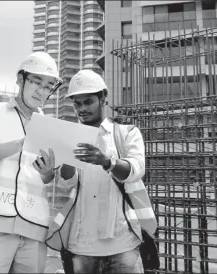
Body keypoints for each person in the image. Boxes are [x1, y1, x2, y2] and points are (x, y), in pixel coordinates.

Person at [44, 70, 157, 273]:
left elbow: (136, 170)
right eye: (77, 104)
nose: (82, 109)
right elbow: (65, 185)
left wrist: (106, 161)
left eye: (88, 102)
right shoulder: (70, 137)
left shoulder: (127, 133)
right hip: (81, 247)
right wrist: (67, 160)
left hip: (124, 245)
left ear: (103, 98)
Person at [0, 52, 62, 273]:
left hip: (34, 227)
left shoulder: (49, 126)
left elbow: (45, 179)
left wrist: (48, 173)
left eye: (48, 86)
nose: (41, 90)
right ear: (21, 79)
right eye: (36, 82)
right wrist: (21, 143)